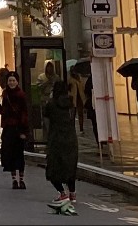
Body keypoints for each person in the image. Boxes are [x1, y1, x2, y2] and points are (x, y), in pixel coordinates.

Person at [44, 78, 81, 214]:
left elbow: (47, 122)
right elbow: (73, 120)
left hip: (56, 139)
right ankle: (73, 193)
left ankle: (62, 193)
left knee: (53, 169)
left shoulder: (51, 104)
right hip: (71, 139)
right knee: (70, 166)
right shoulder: (71, 104)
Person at [0, 69, 30, 190]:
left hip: (18, 129)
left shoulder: (21, 95)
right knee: (10, 155)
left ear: (17, 82)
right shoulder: (6, 94)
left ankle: (22, 180)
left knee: (19, 155)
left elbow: (24, 114)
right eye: (10, 81)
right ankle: (14, 180)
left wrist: (24, 131)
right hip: (8, 129)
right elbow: (5, 112)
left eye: (13, 80)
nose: (12, 83)